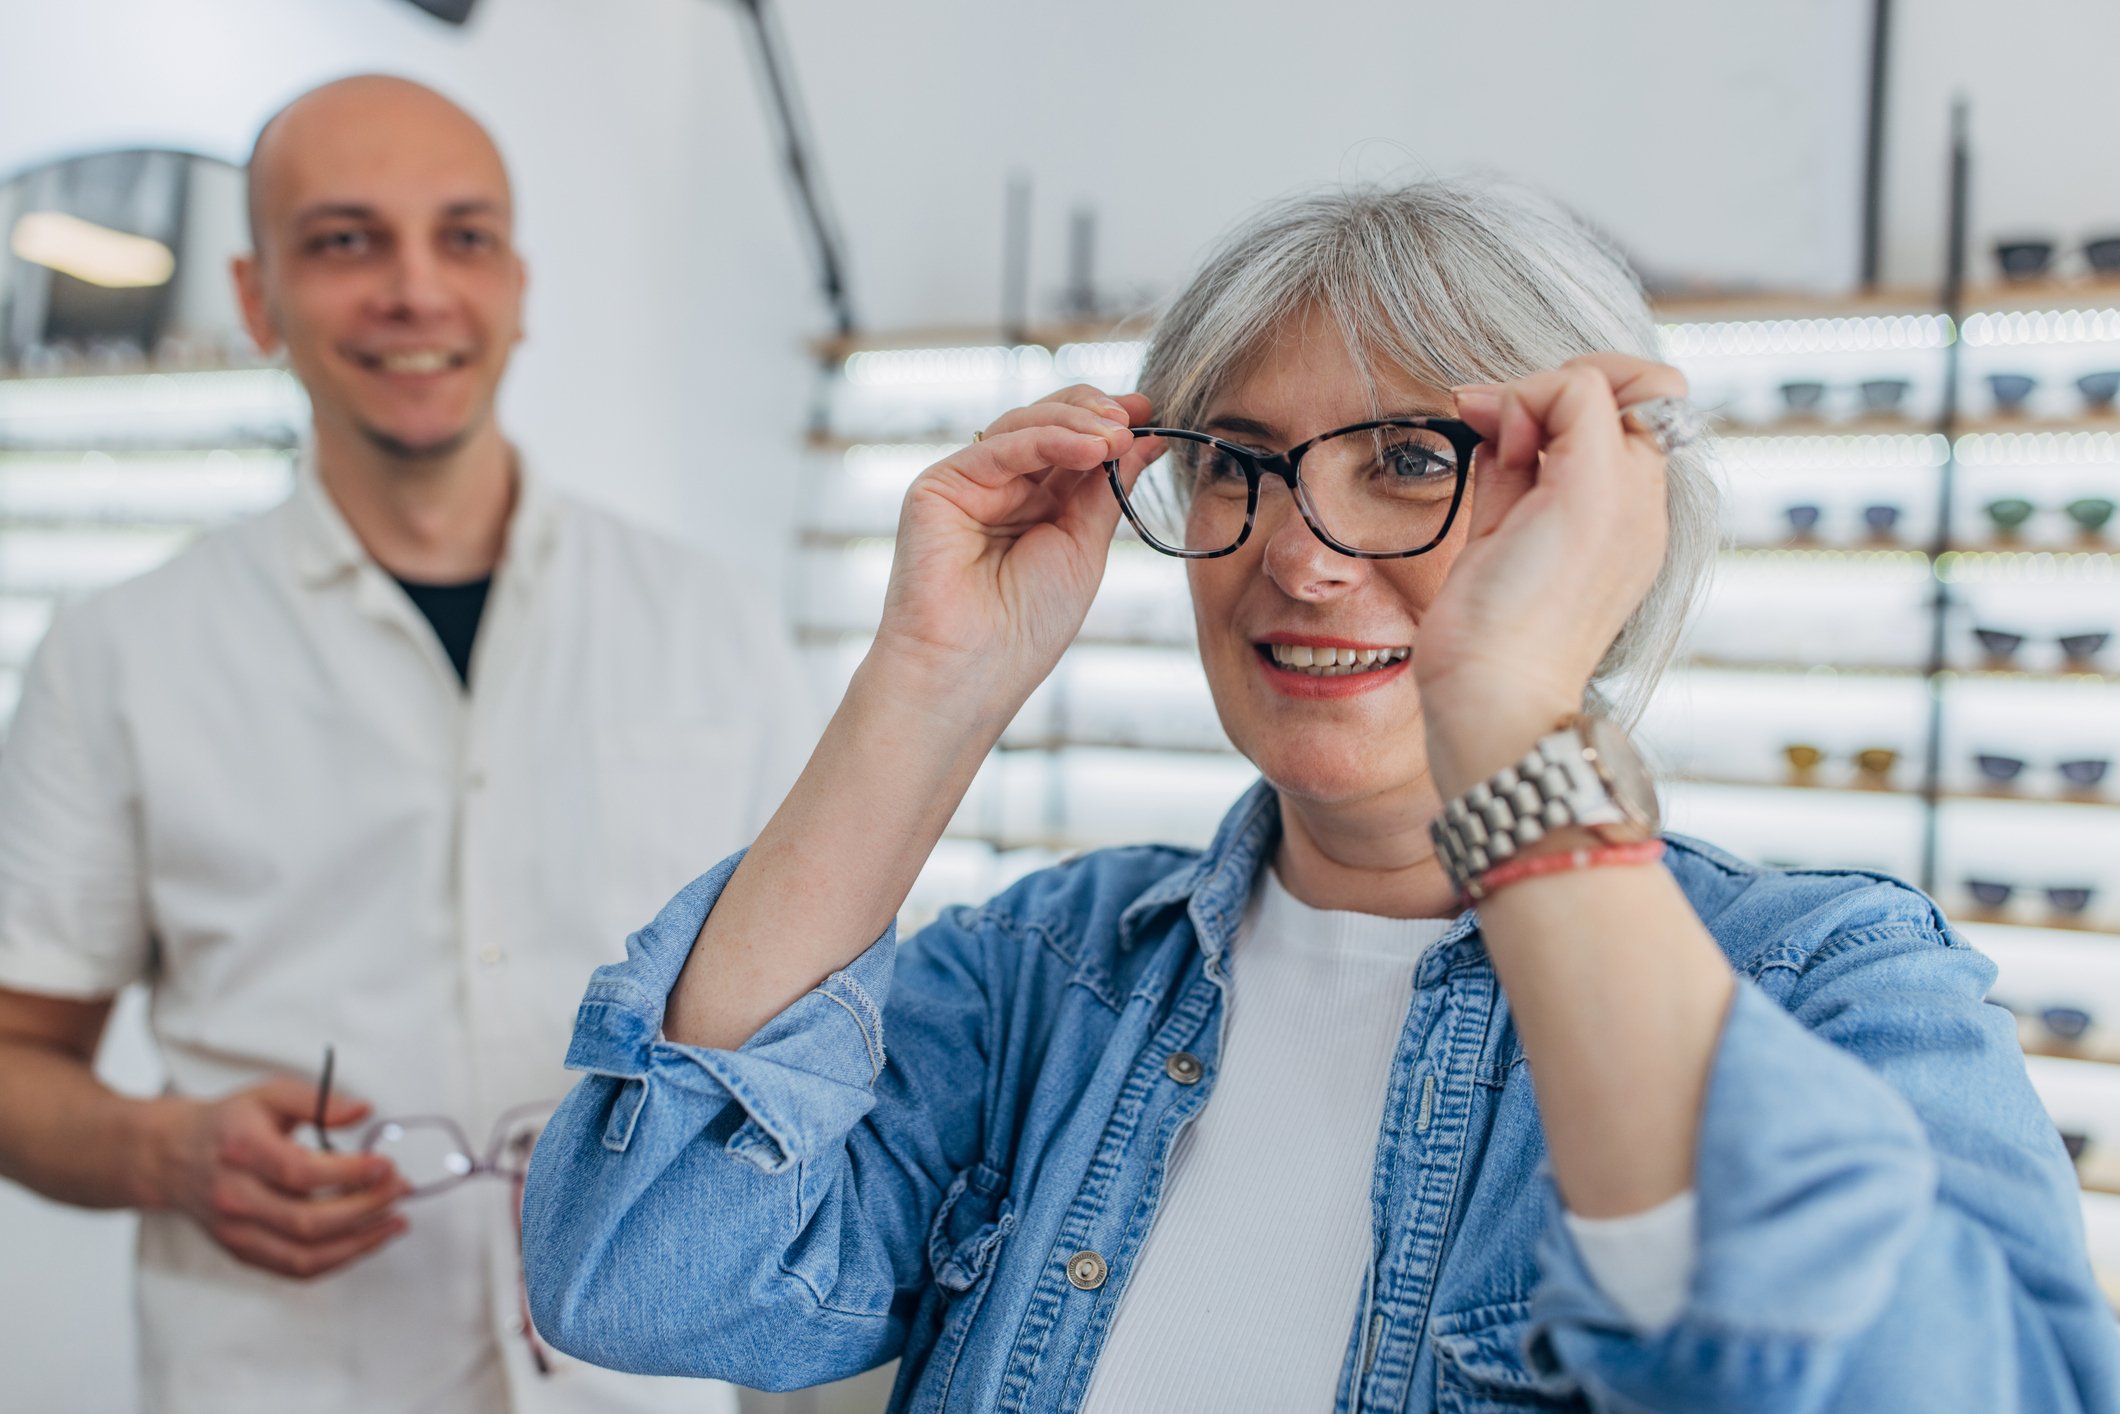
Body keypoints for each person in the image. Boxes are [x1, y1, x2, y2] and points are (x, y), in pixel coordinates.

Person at [521, 181, 2120, 1412]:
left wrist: (1507, 714)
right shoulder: (1053, 975)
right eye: (1238, 460)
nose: (1299, 550)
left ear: (1595, 513)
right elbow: (642, 1267)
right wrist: (932, 682)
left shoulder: (1820, 981)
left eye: (1411, 460)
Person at [0, 75, 809, 1414]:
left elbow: (828, 1023)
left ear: (520, 285)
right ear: (258, 298)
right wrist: (165, 1151)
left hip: (635, 1384)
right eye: (345, 240)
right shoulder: (119, 651)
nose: (416, 290)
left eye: (465, 236)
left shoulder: (707, 622)